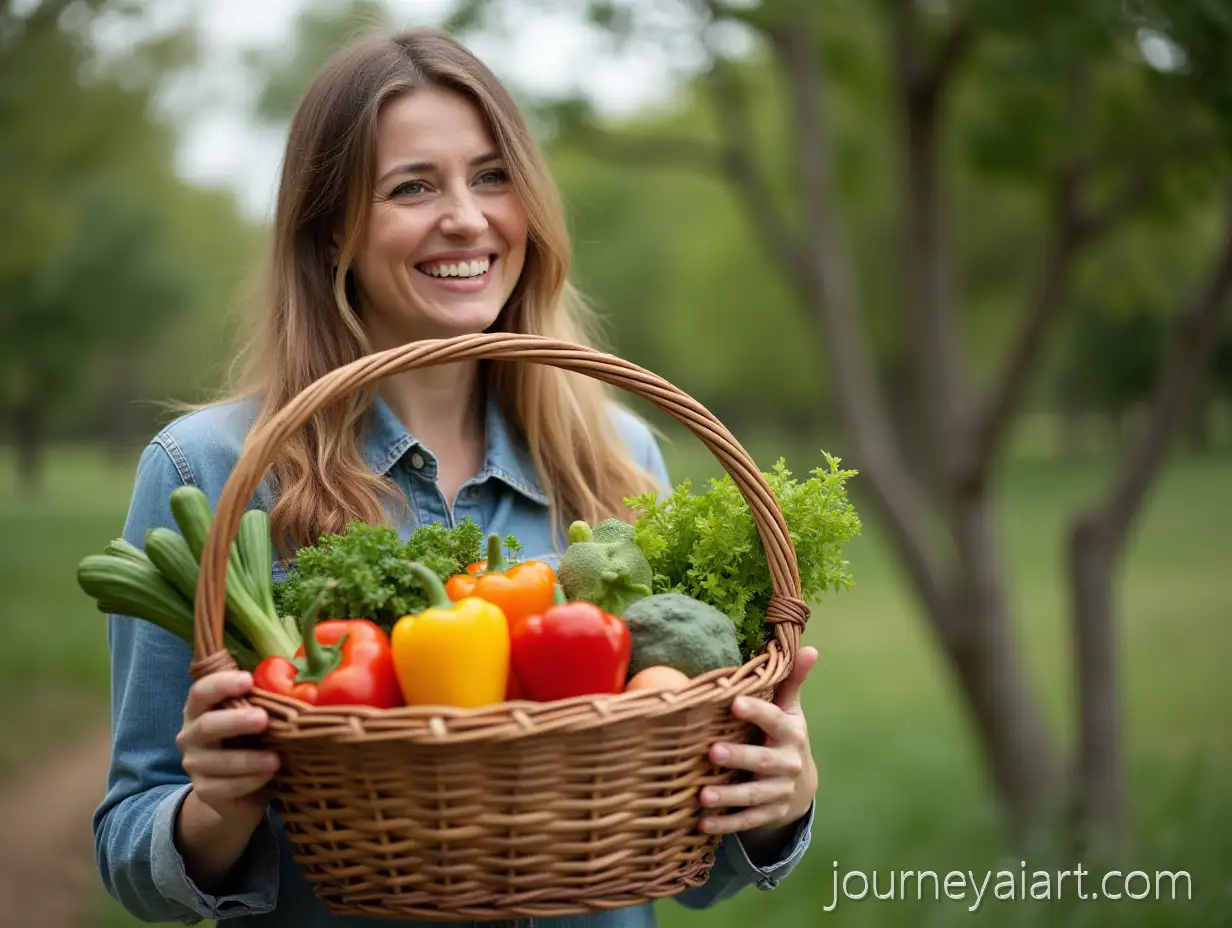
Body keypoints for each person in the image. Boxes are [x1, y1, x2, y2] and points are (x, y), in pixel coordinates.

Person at [93, 26, 819, 927]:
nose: (468, 219)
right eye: (412, 187)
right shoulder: (210, 471)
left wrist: (773, 802)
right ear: (329, 234)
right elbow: (130, 845)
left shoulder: (618, 455)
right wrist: (217, 810)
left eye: (492, 177)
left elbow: (683, 860)